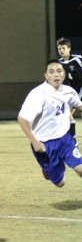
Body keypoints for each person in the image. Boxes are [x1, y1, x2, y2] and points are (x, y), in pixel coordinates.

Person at [18, 59, 82, 187]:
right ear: (46, 76)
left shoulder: (68, 91)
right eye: (51, 72)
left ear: (64, 74)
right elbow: (22, 119)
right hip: (45, 145)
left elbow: (79, 106)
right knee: (60, 183)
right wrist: (35, 142)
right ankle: (47, 170)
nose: (56, 75)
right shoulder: (38, 95)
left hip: (65, 139)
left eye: (59, 71)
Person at [56, 37, 82, 145]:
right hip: (71, 93)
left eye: (63, 48)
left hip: (80, 90)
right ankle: (73, 141)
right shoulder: (59, 63)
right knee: (67, 114)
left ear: (69, 49)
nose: (61, 51)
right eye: (59, 49)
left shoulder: (78, 59)